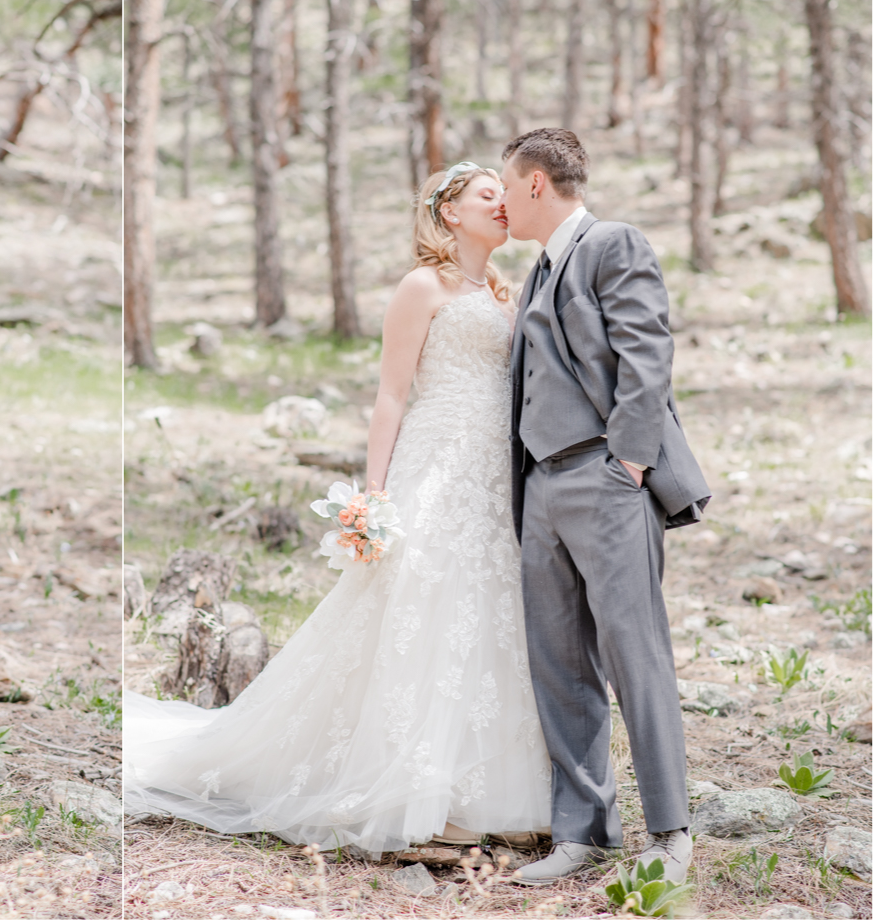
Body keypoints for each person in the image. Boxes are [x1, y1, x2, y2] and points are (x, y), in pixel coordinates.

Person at [123, 162, 552, 855]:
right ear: (449, 212)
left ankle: (489, 791)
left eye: (506, 196)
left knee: (487, 612)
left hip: (494, 474)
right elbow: (390, 394)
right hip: (436, 463)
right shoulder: (422, 286)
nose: (504, 206)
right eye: (487, 196)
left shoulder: (505, 290)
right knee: (424, 607)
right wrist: (372, 498)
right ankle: (418, 795)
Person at [500, 129, 710, 887]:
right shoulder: (534, 272)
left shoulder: (611, 242)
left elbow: (648, 353)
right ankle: (583, 831)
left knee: (635, 656)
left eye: (504, 185)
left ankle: (671, 833)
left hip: (603, 476)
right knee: (559, 666)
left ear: (534, 184)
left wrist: (627, 460)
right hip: (542, 490)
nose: (499, 202)